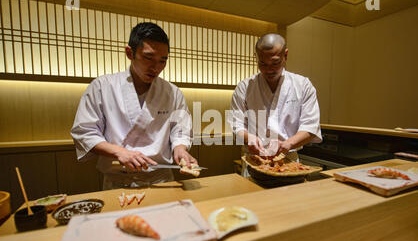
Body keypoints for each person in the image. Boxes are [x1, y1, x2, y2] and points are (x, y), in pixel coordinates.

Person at [71, 22, 197, 189]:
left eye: (162, 61)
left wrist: (180, 149)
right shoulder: (103, 86)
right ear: (130, 53)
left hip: (161, 180)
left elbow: (180, 129)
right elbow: (84, 132)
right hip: (118, 182)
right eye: (148, 58)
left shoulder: (172, 92)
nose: (156, 67)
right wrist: (119, 152)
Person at [228, 33, 322, 176]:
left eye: (275, 63)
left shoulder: (303, 85)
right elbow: (237, 124)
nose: (268, 70)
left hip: (288, 160)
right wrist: (249, 138)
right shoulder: (244, 87)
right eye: (263, 64)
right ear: (257, 57)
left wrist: (288, 144)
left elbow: (310, 126)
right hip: (254, 160)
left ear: (286, 55)